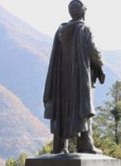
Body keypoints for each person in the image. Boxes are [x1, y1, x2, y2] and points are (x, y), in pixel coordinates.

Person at [44, 0, 105, 155]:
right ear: (83, 12)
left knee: (61, 110)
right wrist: (100, 65)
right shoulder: (84, 29)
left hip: (61, 80)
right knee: (83, 108)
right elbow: (93, 52)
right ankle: (85, 144)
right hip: (79, 78)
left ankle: (59, 146)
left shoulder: (60, 31)